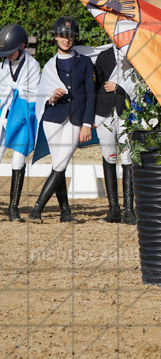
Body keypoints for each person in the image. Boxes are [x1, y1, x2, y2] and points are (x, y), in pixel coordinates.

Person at [28, 16, 95, 223]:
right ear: (56, 37)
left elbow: (91, 94)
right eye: (63, 36)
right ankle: (65, 213)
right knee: (60, 163)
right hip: (53, 117)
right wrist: (52, 98)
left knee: (61, 162)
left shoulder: (84, 62)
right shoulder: (49, 65)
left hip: (76, 120)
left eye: (70, 36)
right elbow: (43, 96)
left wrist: (86, 124)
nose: (67, 40)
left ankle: (36, 209)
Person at [0, 24, 41, 221]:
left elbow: (32, 97)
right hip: (3, 113)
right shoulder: (2, 64)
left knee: (18, 159)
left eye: (10, 51)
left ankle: (13, 208)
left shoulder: (33, 66)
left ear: (22, 46)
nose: (7, 55)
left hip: (23, 114)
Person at [93, 43, 137, 224]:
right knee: (109, 156)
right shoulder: (103, 56)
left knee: (127, 157)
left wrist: (119, 88)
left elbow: (139, 83)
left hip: (126, 112)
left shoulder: (135, 55)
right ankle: (113, 210)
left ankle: (129, 210)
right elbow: (95, 87)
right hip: (104, 112)